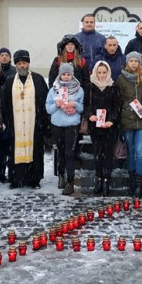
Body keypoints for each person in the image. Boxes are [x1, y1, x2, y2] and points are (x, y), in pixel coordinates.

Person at [2, 50, 49, 189]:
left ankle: (34, 180)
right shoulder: (10, 81)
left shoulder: (38, 79)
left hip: (33, 123)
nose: (22, 66)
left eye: (24, 63)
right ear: (16, 65)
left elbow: (44, 101)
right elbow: (4, 103)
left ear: (28, 63)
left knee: (34, 151)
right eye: (19, 63)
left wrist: (43, 121)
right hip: (15, 124)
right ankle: (16, 179)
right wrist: (7, 121)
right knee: (15, 151)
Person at [116, 52, 142, 197]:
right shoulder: (121, 78)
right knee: (131, 151)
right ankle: (132, 182)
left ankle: (139, 185)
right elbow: (117, 98)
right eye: (131, 61)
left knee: (139, 150)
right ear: (127, 62)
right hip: (127, 119)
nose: (133, 63)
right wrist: (125, 108)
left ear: (140, 63)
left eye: (136, 61)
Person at [46, 63, 85, 195]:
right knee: (60, 152)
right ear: (60, 74)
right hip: (57, 124)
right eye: (64, 74)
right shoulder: (53, 89)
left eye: (68, 74)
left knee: (70, 153)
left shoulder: (79, 89)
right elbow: (48, 108)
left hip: (72, 125)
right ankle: (61, 175)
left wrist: (75, 105)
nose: (66, 77)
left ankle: (70, 180)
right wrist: (57, 105)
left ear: (72, 75)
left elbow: (82, 107)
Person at [84, 60, 121, 196]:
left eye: (104, 72)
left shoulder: (113, 86)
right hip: (95, 127)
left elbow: (117, 106)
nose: (101, 75)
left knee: (108, 154)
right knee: (97, 154)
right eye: (99, 72)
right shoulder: (90, 87)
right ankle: (98, 178)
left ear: (108, 72)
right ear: (95, 72)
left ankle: (106, 179)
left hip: (109, 127)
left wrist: (111, 120)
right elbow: (86, 105)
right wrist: (90, 115)